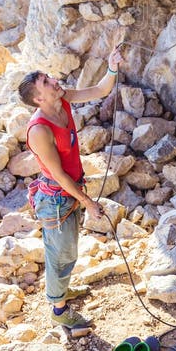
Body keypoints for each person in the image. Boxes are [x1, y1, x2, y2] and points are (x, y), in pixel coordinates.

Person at [18, 46, 123, 332]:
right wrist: (88, 202)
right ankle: (59, 309)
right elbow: (59, 175)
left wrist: (112, 66)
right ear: (39, 98)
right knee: (61, 254)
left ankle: (60, 290)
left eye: (49, 77)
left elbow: (100, 90)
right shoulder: (39, 130)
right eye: (47, 83)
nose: (55, 81)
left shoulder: (62, 100)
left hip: (70, 191)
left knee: (68, 250)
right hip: (57, 197)